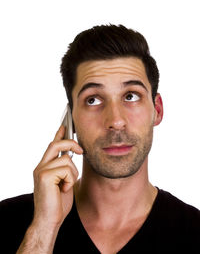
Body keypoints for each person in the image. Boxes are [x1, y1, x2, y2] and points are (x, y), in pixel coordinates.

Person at [0, 24, 200, 254]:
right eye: (93, 99)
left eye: (131, 96)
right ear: (71, 119)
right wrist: (44, 228)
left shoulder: (194, 232)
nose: (115, 120)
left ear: (157, 110)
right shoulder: (8, 221)